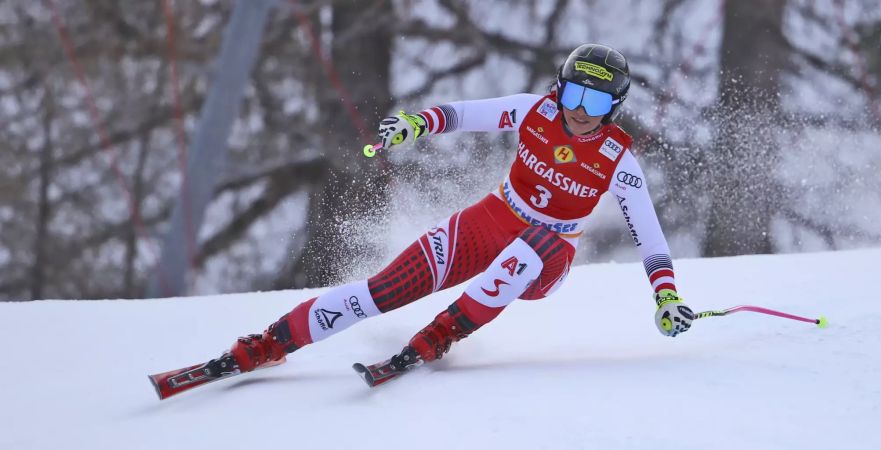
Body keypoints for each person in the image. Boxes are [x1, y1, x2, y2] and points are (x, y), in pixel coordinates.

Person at [226, 43, 694, 375]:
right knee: (382, 289)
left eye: (596, 101)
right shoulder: (536, 111)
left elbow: (649, 240)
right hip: (493, 218)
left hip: (549, 256)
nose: (580, 110)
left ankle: (442, 332)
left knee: (533, 243)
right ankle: (272, 341)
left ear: (615, 106)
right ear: (559, 89)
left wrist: (667, 296)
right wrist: (416, 123)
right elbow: (465, 115)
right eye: (574, 94)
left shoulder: (618, 159)